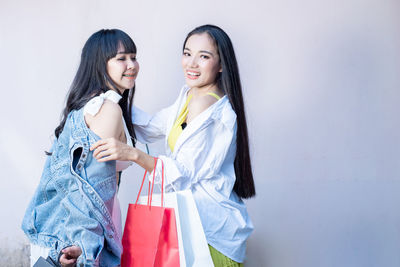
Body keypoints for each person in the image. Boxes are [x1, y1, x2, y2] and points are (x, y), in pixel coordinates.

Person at [91, 24, 256, 266]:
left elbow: (182, 174)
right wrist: (113, 92)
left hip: (210, 231)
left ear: (221, 65)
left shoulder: (210, 109)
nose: (192, 64)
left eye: (204, 56)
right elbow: (150, 126)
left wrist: (132, 154)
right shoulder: (190, 96)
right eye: (187, 53)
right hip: (190, 224)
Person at [21, 29, 139, 267]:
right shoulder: (107, 109)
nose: (132, 65)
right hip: (76, 239)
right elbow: (88, 188)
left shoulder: (89, 106)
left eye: (134, 57)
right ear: (99, 63)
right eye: (122, 58)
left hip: (66, 233)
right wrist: (84, 247)